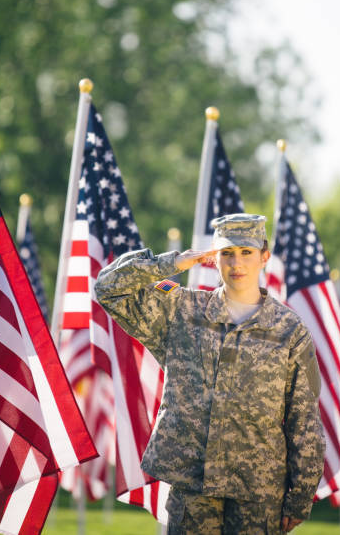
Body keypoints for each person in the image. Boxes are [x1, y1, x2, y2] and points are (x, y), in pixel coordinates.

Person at [95, 213, 325, 534]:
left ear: (264, 257)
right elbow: (107, 287)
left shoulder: (289, 330)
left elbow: (304, 419)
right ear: (213, 258)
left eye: (246, 252)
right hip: (192, 487)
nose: (236, 263)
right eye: (227, 253)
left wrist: (300, 496)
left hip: (257, 494)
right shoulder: (181, 311)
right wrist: (172, 263)